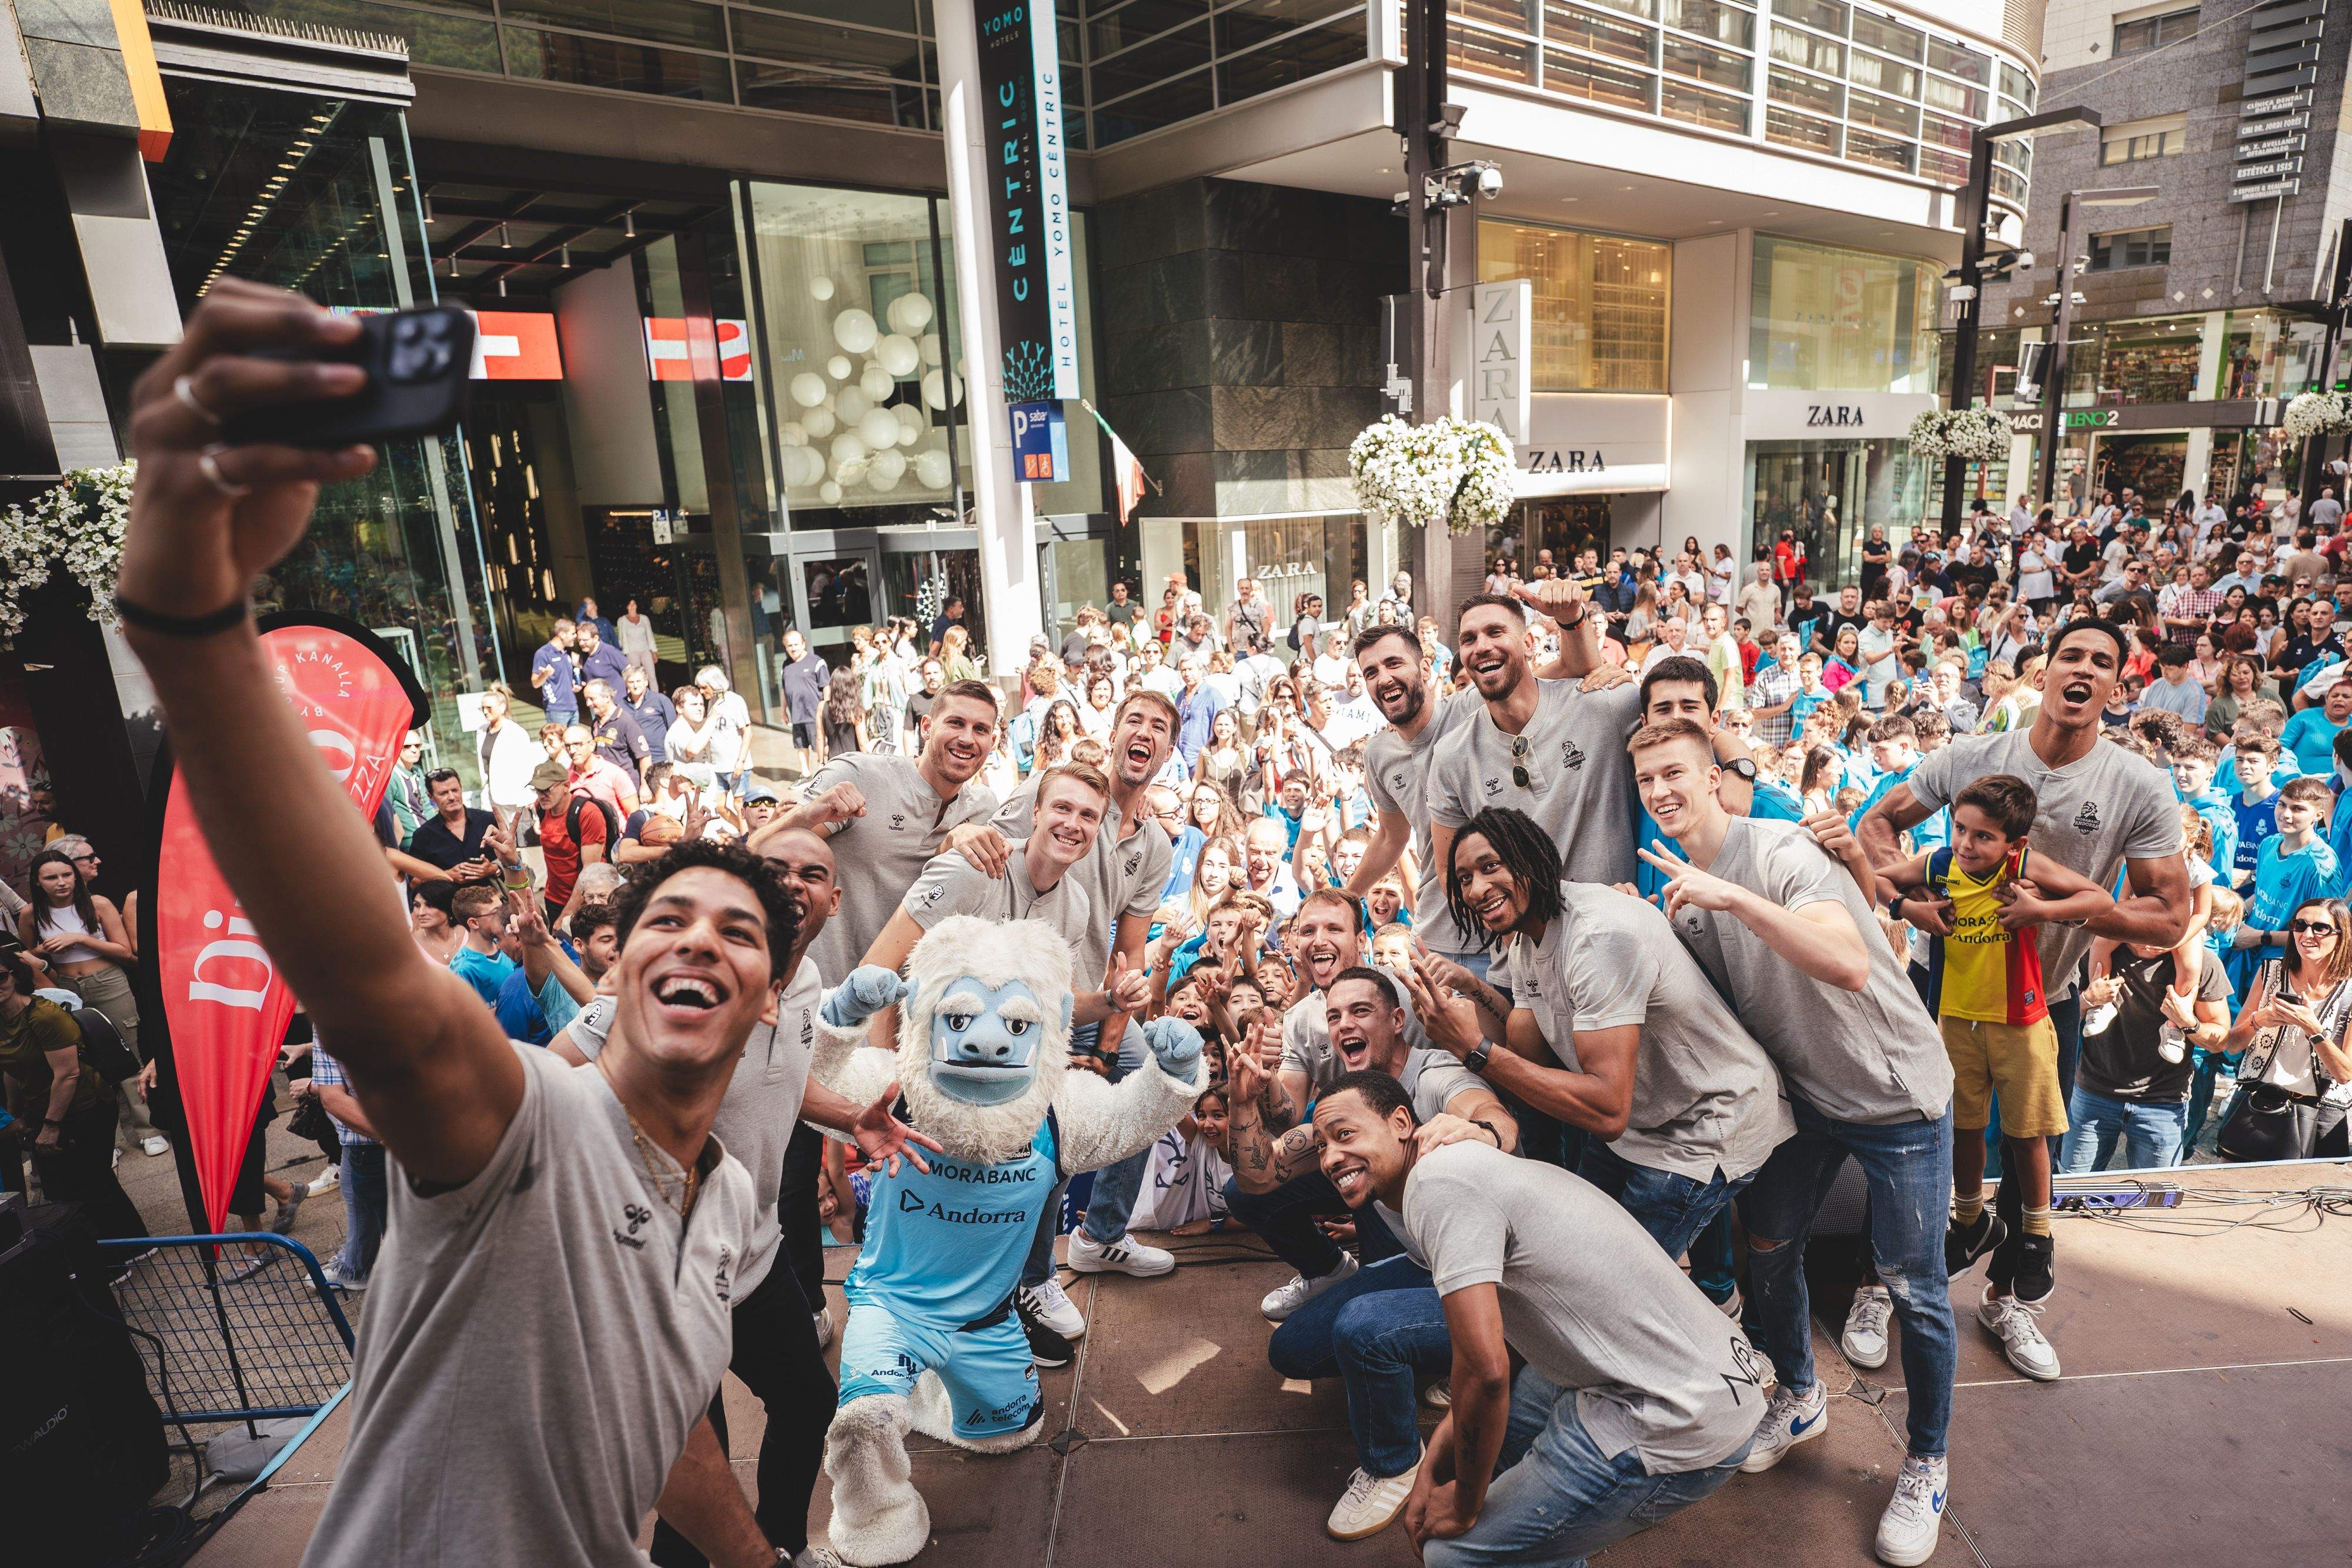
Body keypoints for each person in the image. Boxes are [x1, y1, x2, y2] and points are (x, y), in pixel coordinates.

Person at [115, 278, 813, 1566]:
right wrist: (193, 627)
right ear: (618, 964)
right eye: (669, 918)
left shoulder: (735, 1216)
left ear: (768, 997)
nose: (700, 938)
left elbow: (666, 1434)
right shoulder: (529, 1131)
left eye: (740, 930)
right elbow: (380, 993)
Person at [556, 828, 936, 1568]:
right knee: (697, 1457)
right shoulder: (659, 1006)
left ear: (834, 899)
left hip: (755, 1250)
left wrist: (845, 1117)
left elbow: (781, 1081)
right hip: (659, 1270)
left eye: (813, 874)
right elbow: (543, 1074)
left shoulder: (796, 986)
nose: (795, 883)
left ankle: (786, 1543)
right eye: (777, 871)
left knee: (807, 1402)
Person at [1628, 717, 1957, 1566]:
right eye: (1647, 779)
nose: (1661, 791)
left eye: (1674, 773)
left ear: (1713, 778)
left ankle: (1926, 1459)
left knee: (1913, 1285)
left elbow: (1847, 963)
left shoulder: (1777, 851)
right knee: (1767, 1248)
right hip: (1807, 1101)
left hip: (1897, 1096)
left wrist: (1734, 897)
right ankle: (1800, 1394)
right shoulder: (1684, 891)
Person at [1307, 1073, 1760, 1567]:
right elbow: (1502, 1350)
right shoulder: (1453, 1169)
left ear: (1400, 1122)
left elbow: (1487, 1371)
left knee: (1453, 1553)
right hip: (1709, 1374)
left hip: (1679, 1413)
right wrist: (1433, 1461)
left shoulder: (1437, 1185)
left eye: (1344, 1135)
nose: (1330, 1157)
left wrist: (1463, 1505)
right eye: (1321, 1146)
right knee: (1486, 1462)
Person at [1859, 618, 2193, 1163]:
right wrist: (1911, 901)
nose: (2085, 667)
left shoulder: (2141, 785)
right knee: (1914, 1133)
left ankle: (2027, 1247)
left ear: (2116, 691)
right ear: (2043, 677)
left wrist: (2053, 911)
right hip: (1944, 981)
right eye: (2072, 656)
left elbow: (2171, 917)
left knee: (2029, 1152)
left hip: (2045, 994)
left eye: (2102, 663)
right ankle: (1931, 1240)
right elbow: (1877, 823)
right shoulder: (1971, 755)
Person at [1228, 964, 1517, 1540]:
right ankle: (1363, 1297)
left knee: (1363, 1327)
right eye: (1334, 1016)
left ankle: (1393, 1462)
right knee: (1292, 1350)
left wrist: (1477, 1133)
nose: (1343, 1025)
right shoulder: (1349, 1093)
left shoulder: (1433, 1077)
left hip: (1494, 1286)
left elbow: (1496, 1120)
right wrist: (1244, 1102)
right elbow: (1260, 1176)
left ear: (1396, 1018)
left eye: (1360, 1011)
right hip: (1418, 1262)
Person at [1439, 807, 1791, 1279]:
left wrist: (1474, 1051)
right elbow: (1528, 1054)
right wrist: (1473, 989)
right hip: (1641, 1126)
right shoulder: (1524, 939)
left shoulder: (1598, 936)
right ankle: (1712, 1308)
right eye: (1464, 878)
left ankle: (1708, 1325)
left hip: (1705, 1124)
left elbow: (1606, 1110)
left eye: (1490, 866)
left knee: (1609, 1285)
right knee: (1572, 1252)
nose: (1476, 889)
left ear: (1531, 855)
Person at [1880, 774, 2114, 1381]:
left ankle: (2036, 1236)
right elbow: (1880, 882)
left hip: (2021, 1021)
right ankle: (1968, 1218)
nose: (1965, 844)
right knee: (1959, 1129)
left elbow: (2098, 901)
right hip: (1956, 1021)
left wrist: (2040, 909)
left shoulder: (2026, 867)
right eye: (1960, 829)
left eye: (1982, 836)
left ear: (2013, 841)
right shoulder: (1937, 862)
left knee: (2026, 1138)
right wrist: (1912, 910)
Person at [1427, 587, 1643, 900]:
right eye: (1469, 639)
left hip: (1613, 933)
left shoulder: (1605, 706)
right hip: (1522, 945)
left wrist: (1738, 767)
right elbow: (1451, 872)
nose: (1482, 647)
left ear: (1528, 644)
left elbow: (1693, 735)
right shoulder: (1451, 756)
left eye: (1496, 632)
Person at [0, 952, 146, 1242]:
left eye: (0, 976)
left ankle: (129, 1249)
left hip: (84, 1107)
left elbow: (68, 1074)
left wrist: (51, 1127)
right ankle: (107, 1248)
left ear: (15, 976)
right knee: (65, 1188)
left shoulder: (44, 1015)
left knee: (93, 1182)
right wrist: (17, 1116)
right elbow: (13, 1071)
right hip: (44, 1109)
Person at [2062, 934, 2231, 1172]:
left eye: (2159, 931)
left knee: (2156, 1197)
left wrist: (2188, 1022)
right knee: (2074, 1191)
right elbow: (2056, 1017)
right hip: (2094, 1094)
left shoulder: (2202, 963)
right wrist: (2088, 1001)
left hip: (2163, 1102)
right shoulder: (2097, 950)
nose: (2150, 941)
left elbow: (2221, 1040)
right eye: (2143, 930)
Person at [2217, 895, 2352, 1159]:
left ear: (2341, 935)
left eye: (2320, 928)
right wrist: (2259, 1021)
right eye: (2299, 925)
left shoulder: (2349, 992)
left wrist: (2314, 1030)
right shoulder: (2271, 972)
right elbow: (2232, 1046)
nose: (2307, 934)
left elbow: (2345, 1073)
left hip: (2318, 1115)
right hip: (2258, 1106)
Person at [403, 768, 507, 882]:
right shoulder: (423, 835)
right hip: (448, 899)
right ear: (431, 797)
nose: (452, 797)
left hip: (496, 897)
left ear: (461, 788)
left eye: (455, 790)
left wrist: (494, 868)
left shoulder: (488, 821)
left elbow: (513, 861)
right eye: (443, 793)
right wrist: (446, 876)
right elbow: (413, 883)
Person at [476, 683, 542, 833]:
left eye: (489, 708)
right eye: (483, 708)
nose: (485, 712)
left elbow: (526, 766)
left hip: (513, 797)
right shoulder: (481, 731)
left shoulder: (515, 732)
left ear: (502, 707)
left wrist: (528, 796)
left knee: (519, 839)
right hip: (490, 795)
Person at [779, 629, 830, 777]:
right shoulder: (786, 665)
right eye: (790, 646)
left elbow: (826, 687)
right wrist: (783, 711)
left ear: (804, 644)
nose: (793, 648)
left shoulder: (817, 662)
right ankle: (806, 774)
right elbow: (784, 689)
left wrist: (826, 710)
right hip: (796, 715)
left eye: (796, 644)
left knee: (821, 747)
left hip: (814, 715)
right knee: (801, 745)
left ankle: (830, 770)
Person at [624, 664, 679, 769]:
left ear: (646, 682)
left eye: (639, 681)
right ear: (626, 684)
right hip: (633, 762)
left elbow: (674, 730)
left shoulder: (660, 700)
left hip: (660, 759)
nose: (635, 686)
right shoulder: (622, 705)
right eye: (631, 682)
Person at [530, 617, 579, 727]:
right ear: (562, 634)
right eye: (573, 633)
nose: (576, 636)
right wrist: (545, 674)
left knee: (573, 742)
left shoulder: (566, 654)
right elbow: (535, 683)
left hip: (573, 706)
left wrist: (575, 685)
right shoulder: (543, 653)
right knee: (557, 742)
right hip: (556, 709)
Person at [618, 596, 660, 688]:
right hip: (632, 652)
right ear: (627, 607)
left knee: (652, 676)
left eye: (634, 604)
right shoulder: (622, 620)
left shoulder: (644, 618)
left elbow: (650, 635)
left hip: (645, 650)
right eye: (630, 605)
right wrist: (623, 654)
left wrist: (654, 651)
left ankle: (655, 697)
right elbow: (621, 638)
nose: (632, 607)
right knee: (636, 676)